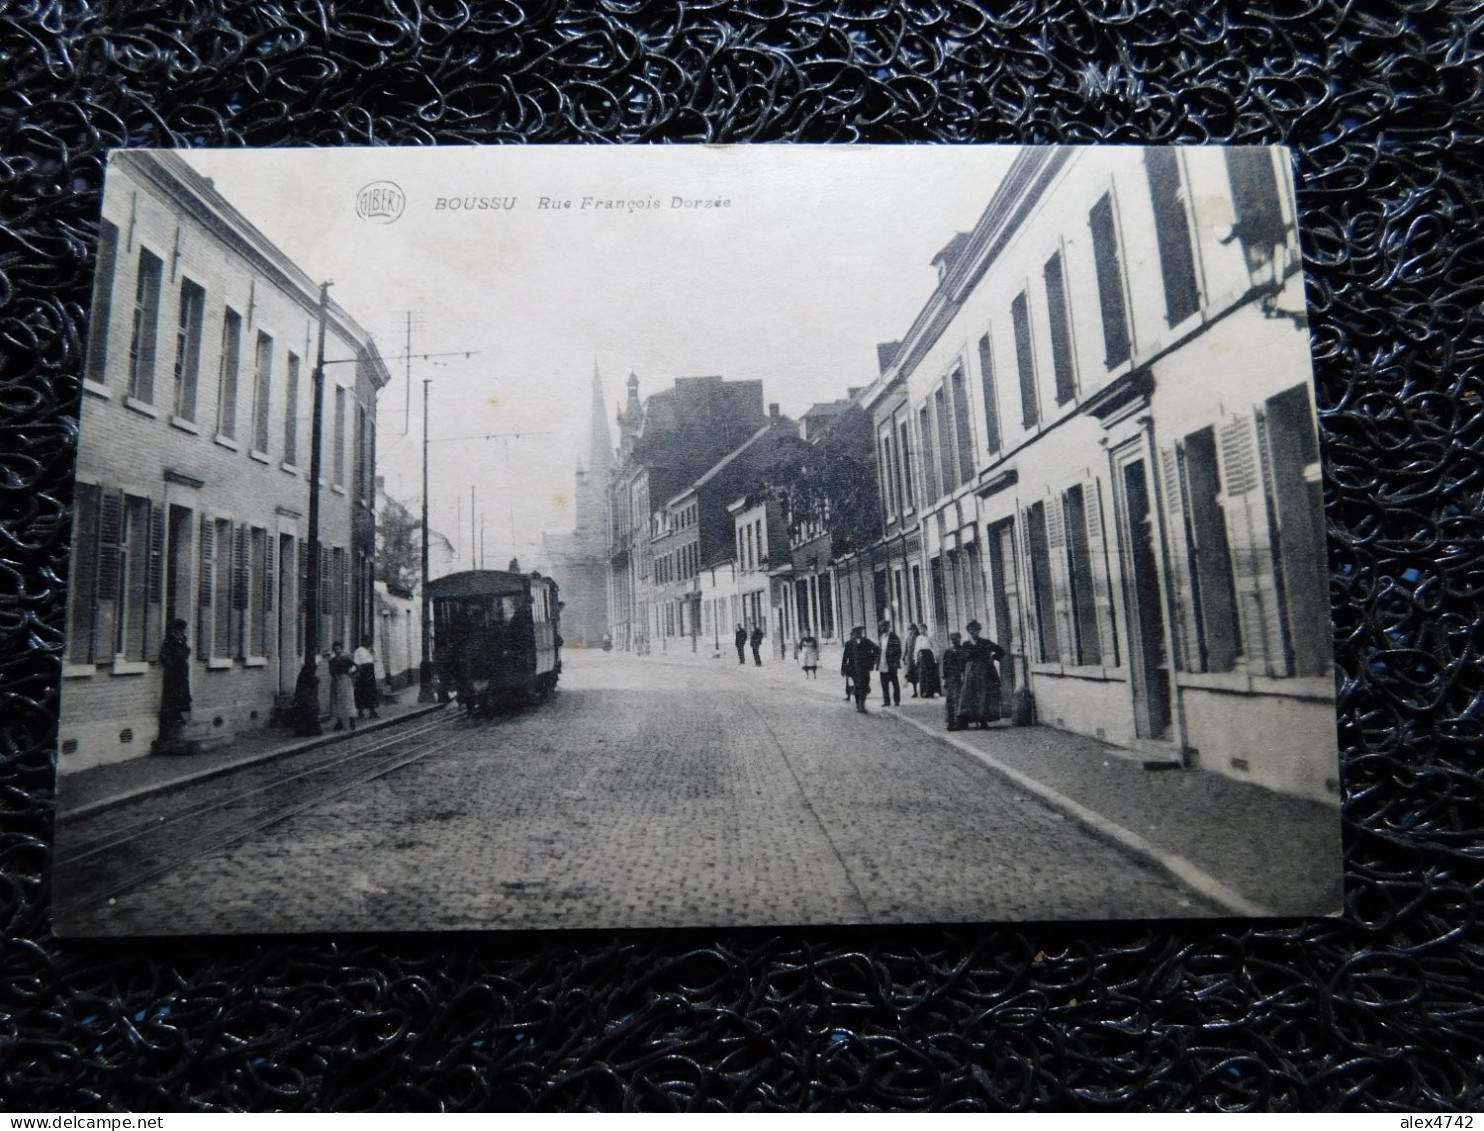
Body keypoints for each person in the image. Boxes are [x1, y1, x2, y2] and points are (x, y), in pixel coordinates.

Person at [957, 619, 1008, 730]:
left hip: (984, 671)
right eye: (970, 630)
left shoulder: (985, 643)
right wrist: (962, 672)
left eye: (975, 630)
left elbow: (1000, 651)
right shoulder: (965, 645)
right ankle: (969, 719)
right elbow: (961, 659)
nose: (973, 632)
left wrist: (993, 658)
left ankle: (983, 720)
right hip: (970, 672)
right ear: (968, 631)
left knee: (984, 695)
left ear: (979, 631)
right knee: (969, 695)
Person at [153, 618, 192, 753]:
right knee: (172, 706)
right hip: (173, 680)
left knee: (184, 703)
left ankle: (181, 733)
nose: (181, 634)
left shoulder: (182, 641)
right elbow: (168, 658)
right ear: (175, 631)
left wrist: (183, 643)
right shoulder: (169, 642)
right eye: (180, 631)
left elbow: (186, 653)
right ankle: (170, 737)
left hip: (182, 679)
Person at [841, 625, 881, 713]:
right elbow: (845, 657)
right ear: (854, 633)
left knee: (864, 687)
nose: (859, 633)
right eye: (857, 632)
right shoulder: (849, 644)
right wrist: (843, 669)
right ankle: (858, 704)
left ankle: (862, 704)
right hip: (853, 669)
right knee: (857, 687)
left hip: (864, 669)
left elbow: (877, 650)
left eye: (860, 632)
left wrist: (871, 660)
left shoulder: (866, 641)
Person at [940, 631, 966, 730]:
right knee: (950, 701)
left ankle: (960, 723)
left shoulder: (963, 651)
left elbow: (964, 665)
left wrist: (963, 674)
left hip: (960, 678)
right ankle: (951, 722)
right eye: (952, 639)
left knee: (959, 701)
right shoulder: (948, 651)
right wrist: (944, 679)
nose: (954, 641)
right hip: (950, 679)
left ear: (960, 639)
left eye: (956, 639)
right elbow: (945, 667)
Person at [328, 642, 356, 730]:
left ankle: (352, 721)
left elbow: (356, 666)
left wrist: (351, 673)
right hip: (336, 681)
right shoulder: (332, 661)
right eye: (335, 649)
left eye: (339, 649)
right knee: (337, 702)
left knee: (348, 700)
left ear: (342, 649)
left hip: (346, 680)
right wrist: (335, 676)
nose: (337, 651)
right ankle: (339, 722)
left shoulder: (346, 659)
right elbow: (331, 671)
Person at [353, 635, 380, 720]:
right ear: (363, 641)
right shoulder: (358, 651)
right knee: (361, 692)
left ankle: (372, 711)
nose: (367, 642)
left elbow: (376, 660)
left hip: (370, 671)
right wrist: (357, 672)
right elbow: (356, 662)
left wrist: (373, 653)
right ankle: (360, 711)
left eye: (369, 641)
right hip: (362, 672)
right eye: (366, 641)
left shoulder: (371, 650)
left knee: (371, 691)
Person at [877, 621, 902, 706]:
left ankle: (896, 700)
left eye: (884, 626)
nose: (882, 628)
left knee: (895, 682)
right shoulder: (882, 637)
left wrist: (895, 661)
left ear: (888, 626)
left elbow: (898, 650)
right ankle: (886, 701)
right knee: (884, 684)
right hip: (882, 663)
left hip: (891, 664)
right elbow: (880, 651)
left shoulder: (893, 637)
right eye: (881, 627)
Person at [915, 628, 941, 699]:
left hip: (928, 655)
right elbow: (916, 648)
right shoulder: (918, 638)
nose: (922, 631)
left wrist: (935, 658)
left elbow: (934, 647)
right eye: (920, 629)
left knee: (929, 675)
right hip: (921, 655)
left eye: (923, 629)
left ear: (926, 629)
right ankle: (923, 692)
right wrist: (916, 659)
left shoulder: (929, 637)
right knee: (922, 674)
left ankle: (930, 692)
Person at [903, 623, 920, 698]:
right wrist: (904, 656)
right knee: (912, 676)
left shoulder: (918, 637)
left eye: (912, 629)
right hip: (910, 659)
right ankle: (915, 691)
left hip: (917, 658)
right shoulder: (909, 638)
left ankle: (922, 691)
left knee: (919, 675)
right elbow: (906, 648)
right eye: (909, 630)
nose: (911, 631)